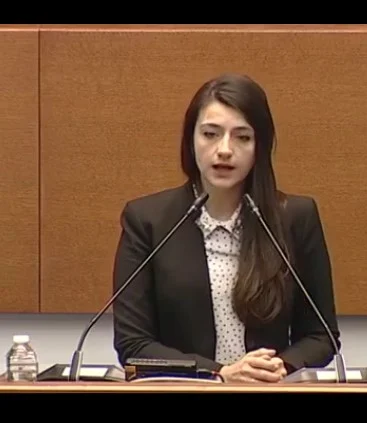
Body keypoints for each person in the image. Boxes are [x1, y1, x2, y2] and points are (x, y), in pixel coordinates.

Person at [112, 72, 341, 383]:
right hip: (182, 391)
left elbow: (321, 335)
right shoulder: (147, 220)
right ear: (191, 140)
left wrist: (279, 366)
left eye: (242, 137)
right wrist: (219, 373)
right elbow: (133, 344)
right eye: (210, 134)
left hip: (268, 390)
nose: (224, 149)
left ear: (260, 146)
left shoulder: (295, 218)